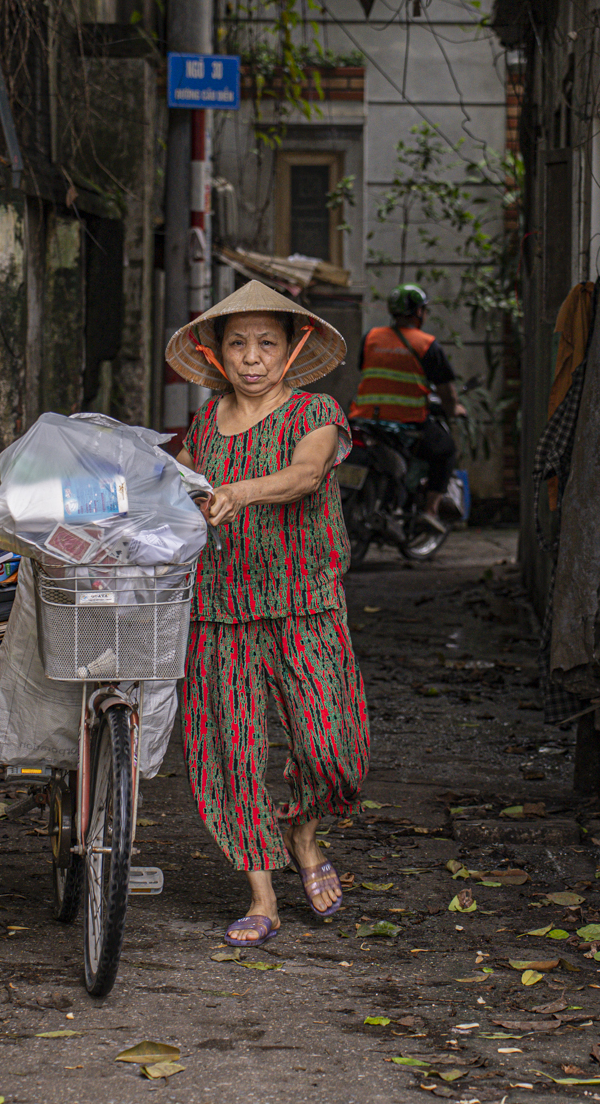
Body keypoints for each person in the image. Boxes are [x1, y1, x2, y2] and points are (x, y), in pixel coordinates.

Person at [164, 280, 371, 948]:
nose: (252, 356)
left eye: (266, 343)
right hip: (217, 608)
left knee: (331, 746)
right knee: (230, 751)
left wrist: (240, 491)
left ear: (291, 349)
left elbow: (307, 474)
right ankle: (260, 893)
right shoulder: (202, 425)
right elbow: (171, 485)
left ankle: (303, 833)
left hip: (304, 600)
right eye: (238, 343)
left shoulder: (316, 412)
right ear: (217, 352)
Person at [350, 283, 465, 533]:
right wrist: (454, 409)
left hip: (364, 419)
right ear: (418, 312)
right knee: (445, 451)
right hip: (405, 422)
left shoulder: (371, 338)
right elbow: (446, 390)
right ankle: (430, 510)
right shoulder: (427, 344)